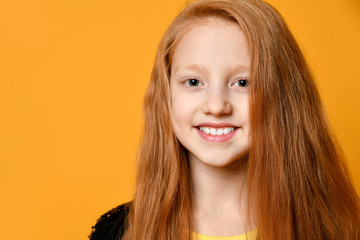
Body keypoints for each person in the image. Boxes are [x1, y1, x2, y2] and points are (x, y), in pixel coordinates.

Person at [89, 0, 360, 239]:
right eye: (193, 82)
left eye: (243, 82)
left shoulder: (338, 228)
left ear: (283, 96)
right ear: (166, 93)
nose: (217, 106)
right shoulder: (119, 232)